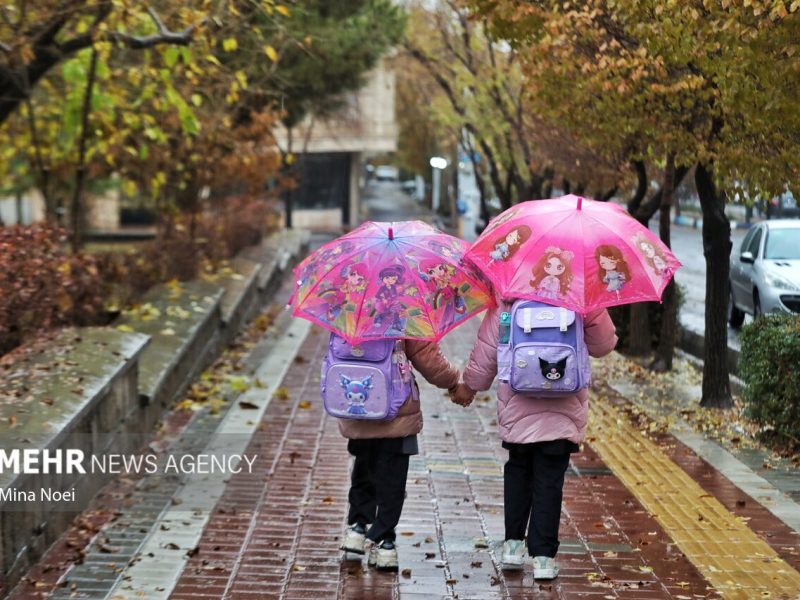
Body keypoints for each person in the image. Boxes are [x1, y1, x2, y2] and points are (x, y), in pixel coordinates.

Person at [457, 303, 617, 580]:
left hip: (517, 402)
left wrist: (469, 387)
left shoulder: (507, 298)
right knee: (550, 480)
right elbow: (603, 345)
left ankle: (512, 546)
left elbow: (487, 351)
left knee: (518, 471)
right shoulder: (580, 298)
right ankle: (543, 558)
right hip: (564, 406)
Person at [338, 340, 471, 571]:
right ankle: (385, 542)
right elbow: (425, 355)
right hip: (397, 408)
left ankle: (358, 528)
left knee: (363, 465)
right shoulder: (406, 318)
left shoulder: (347, 317)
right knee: (393, 476)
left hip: (358, 404)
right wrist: (452, 381)